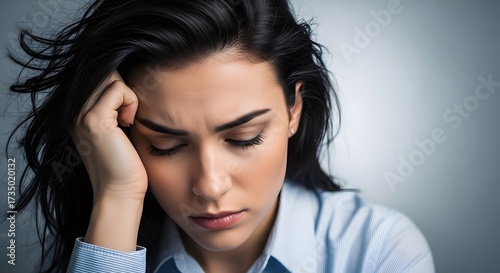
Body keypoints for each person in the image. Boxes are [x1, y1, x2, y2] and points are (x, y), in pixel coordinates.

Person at [7, 0, 434, 272]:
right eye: (166, 145)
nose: (209, 186)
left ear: (294, 110)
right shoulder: (102, 250)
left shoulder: (377, 250)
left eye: (244, 138)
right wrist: (118, 195)